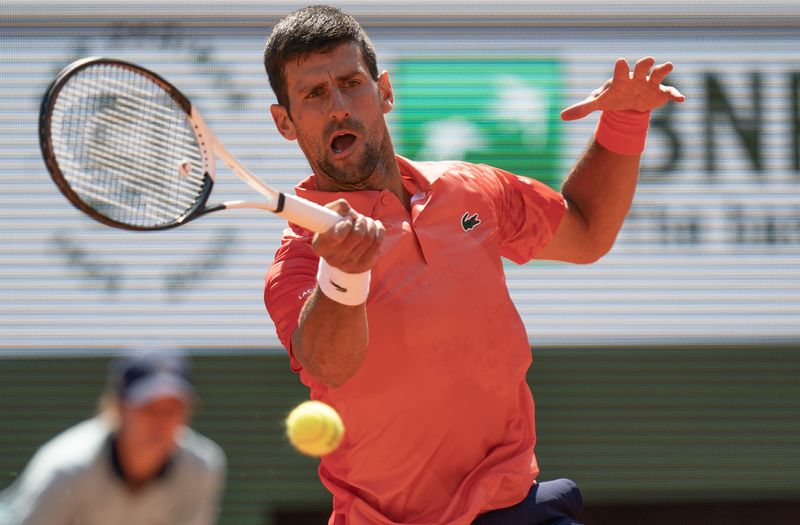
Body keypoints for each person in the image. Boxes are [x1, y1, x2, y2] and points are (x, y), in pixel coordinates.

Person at [263, 5, 684, 525]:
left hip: (511, 506)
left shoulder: (471, 189)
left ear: (385, 91)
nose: (339, 107)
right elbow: (328, 364)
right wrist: (343, 274)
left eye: (351, 83)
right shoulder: (301, 259)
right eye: (314, 94)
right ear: (285, 122)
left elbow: (588, 231)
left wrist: (625, 119)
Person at [0, 350, 227, 525]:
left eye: (172, 410)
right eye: (148, 408)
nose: (161, 422)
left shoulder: (202, 469)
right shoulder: (64, 469)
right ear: (117, 408)